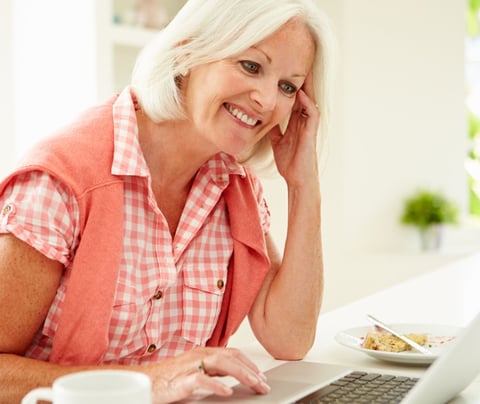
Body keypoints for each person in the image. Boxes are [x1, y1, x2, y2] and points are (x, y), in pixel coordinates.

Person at [0, 0, 334, 402]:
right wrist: (153, 381)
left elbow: (290, 337)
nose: (266, 100)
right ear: (188, 51)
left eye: (288, 86)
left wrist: (303, 186)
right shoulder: (62, 183)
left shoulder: (233, 186)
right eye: (251, 65)